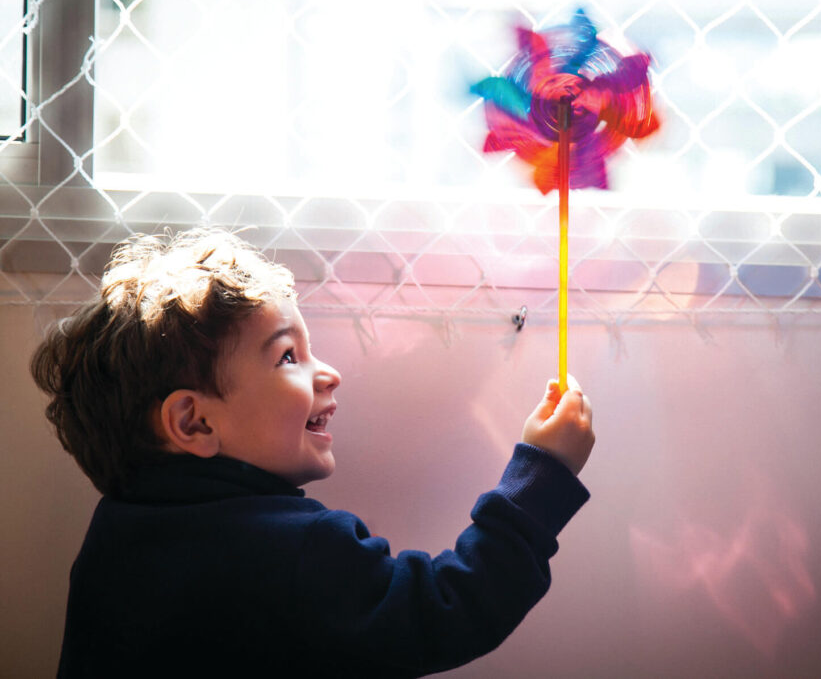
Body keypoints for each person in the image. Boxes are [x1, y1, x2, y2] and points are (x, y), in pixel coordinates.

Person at [31, 227, 595, 678]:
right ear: (194, 421)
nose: (330, 373)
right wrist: (541, 478)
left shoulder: (116, 532)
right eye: (287, 357)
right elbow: (441, 612)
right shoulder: (297, 547)